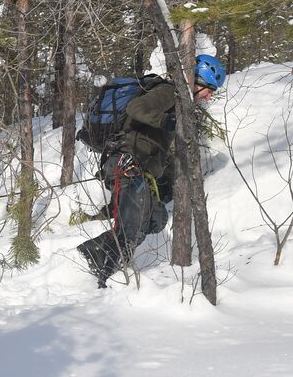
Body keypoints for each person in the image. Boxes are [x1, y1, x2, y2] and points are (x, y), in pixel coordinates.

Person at [77, 53, 226, 287]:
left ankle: (101, 269)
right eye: (209, 88)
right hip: (127, 163)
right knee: (130, 231)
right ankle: (97, 275)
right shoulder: (170, 92)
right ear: (196, 82)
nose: (210, 95)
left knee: (156, 219)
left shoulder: (180, 102)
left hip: (140, 171)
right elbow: (137, 108)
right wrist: (168, 122)